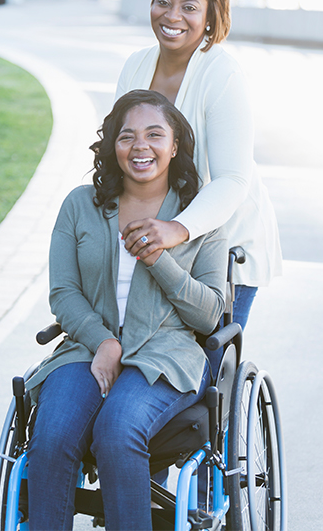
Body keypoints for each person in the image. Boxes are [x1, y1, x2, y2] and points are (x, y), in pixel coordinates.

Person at [25, 90, 228, 531]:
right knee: (52, 436)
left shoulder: (199, 215)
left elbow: (210, 314)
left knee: (118, 433)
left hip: (165, 355)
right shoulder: (81, 205)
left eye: (155, 134)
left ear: (175, 145)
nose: (140, 146)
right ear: (112, 146)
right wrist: (104, 341)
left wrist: (159, 259)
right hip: (87, 350)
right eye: (126, 136)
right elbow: (63, 292)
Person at [116, 0, 282, 335]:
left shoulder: (222, 74)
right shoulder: (135, 66)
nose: (172, 15)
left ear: (210, 16)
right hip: (158, 238)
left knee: (205, 368)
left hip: (222, 245)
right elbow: (121, 149)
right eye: (163, 1)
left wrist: (177, 228)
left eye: (189, 7)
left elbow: (232, 180)